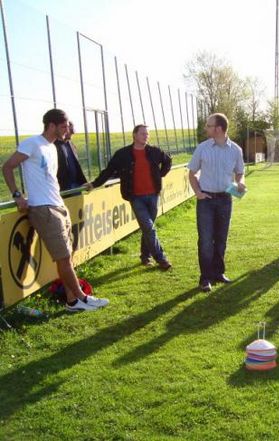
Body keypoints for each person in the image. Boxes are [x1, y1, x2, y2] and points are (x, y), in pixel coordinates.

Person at [2, 109, 109, 312]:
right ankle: (83, 298)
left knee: (67, 256)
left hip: (58, 205)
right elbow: (7, 167)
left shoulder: (52, 147)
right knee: (64, 257)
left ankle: (72, 301)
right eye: (64, 126)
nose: (67, 129)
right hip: (43, 209)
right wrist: (17, 196)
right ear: (51, 125)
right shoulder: (32, 143)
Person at [86, 124, 172, 270]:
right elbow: (109, 170)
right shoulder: (122, 154)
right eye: (143, 133)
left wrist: (160, 174)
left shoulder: (154, 151)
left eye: (147, 134)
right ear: (134, 135)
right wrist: (95, 184)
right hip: (135, 197)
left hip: (153, 195)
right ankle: (161, 258)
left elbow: (168, 161)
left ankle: (145, 257)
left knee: (147, 228)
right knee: (149, 228)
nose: (146, 136)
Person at [187, 113, 245, 292]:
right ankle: (205, 278)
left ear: (218, 129)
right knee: (205, 240)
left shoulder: (236, 150)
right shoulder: (202, 148)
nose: (206, 128)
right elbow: (192, 173)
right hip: (206, 200)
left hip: (225, 199)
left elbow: (240, 172)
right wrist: (198, 192)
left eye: (209, 125)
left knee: (221, 239)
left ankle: (218, 273)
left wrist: (241, 182)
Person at [55, 121, 87, 191]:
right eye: (71, 130)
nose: (73, 132)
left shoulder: (71, 145)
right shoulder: (53, 146)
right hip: (63, 187)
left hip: (76, 185)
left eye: (73, 130)